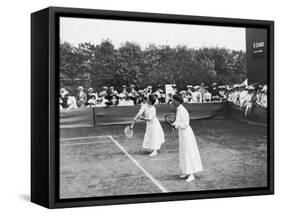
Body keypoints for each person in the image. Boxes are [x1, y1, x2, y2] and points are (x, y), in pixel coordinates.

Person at [172, 94, 203, 182]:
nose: (173, 102)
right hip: (182, 134)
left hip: (186, 134)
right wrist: (175, 125)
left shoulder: (183, 110)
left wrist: (176, 125)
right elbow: (178, 121)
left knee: (188, 152)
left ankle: (191, 174)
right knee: (183, 152)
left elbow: (185, 124)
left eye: (174, 100)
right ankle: (186, 172)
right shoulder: (178, 109)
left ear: (178, 101)